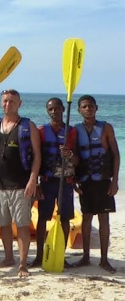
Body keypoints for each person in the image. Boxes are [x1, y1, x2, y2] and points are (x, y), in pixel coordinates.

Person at [0, 89, 41, 278]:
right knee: (3, 224)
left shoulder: (28, 126)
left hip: (20, 185)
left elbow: (37, 155)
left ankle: (22, 263)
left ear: (20, 103)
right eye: (4, 101)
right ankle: (9, 257)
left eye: (12, 101)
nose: (7, 104)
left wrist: (33, 180)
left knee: (22, 224)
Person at [73, 95, 119, 273]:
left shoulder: (105, 128)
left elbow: (115, 154)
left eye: (90, 106)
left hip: (102, 181)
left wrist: (115, 181)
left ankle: (104, 259)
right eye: (84, 106)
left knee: (104, 219)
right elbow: (76, 156)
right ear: (79, 110)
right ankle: (85, 257)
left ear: (96, 108)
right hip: (85, 180)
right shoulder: (76, 130)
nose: (88, 109)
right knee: (86, 217)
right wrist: (73, 178)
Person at [30, 98, 78, 267]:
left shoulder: (71, 132)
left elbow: (80, 160)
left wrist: (70, 155)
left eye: (57, 109)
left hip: (66, 182)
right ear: (47, 111)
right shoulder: (41, 131)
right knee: (43, 218)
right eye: (51, 109)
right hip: (47, 181)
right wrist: (35, 182)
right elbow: (34, 158)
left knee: (64, 218)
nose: (54, 112)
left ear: (63, 109)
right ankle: (39, 255)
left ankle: (60, 255)